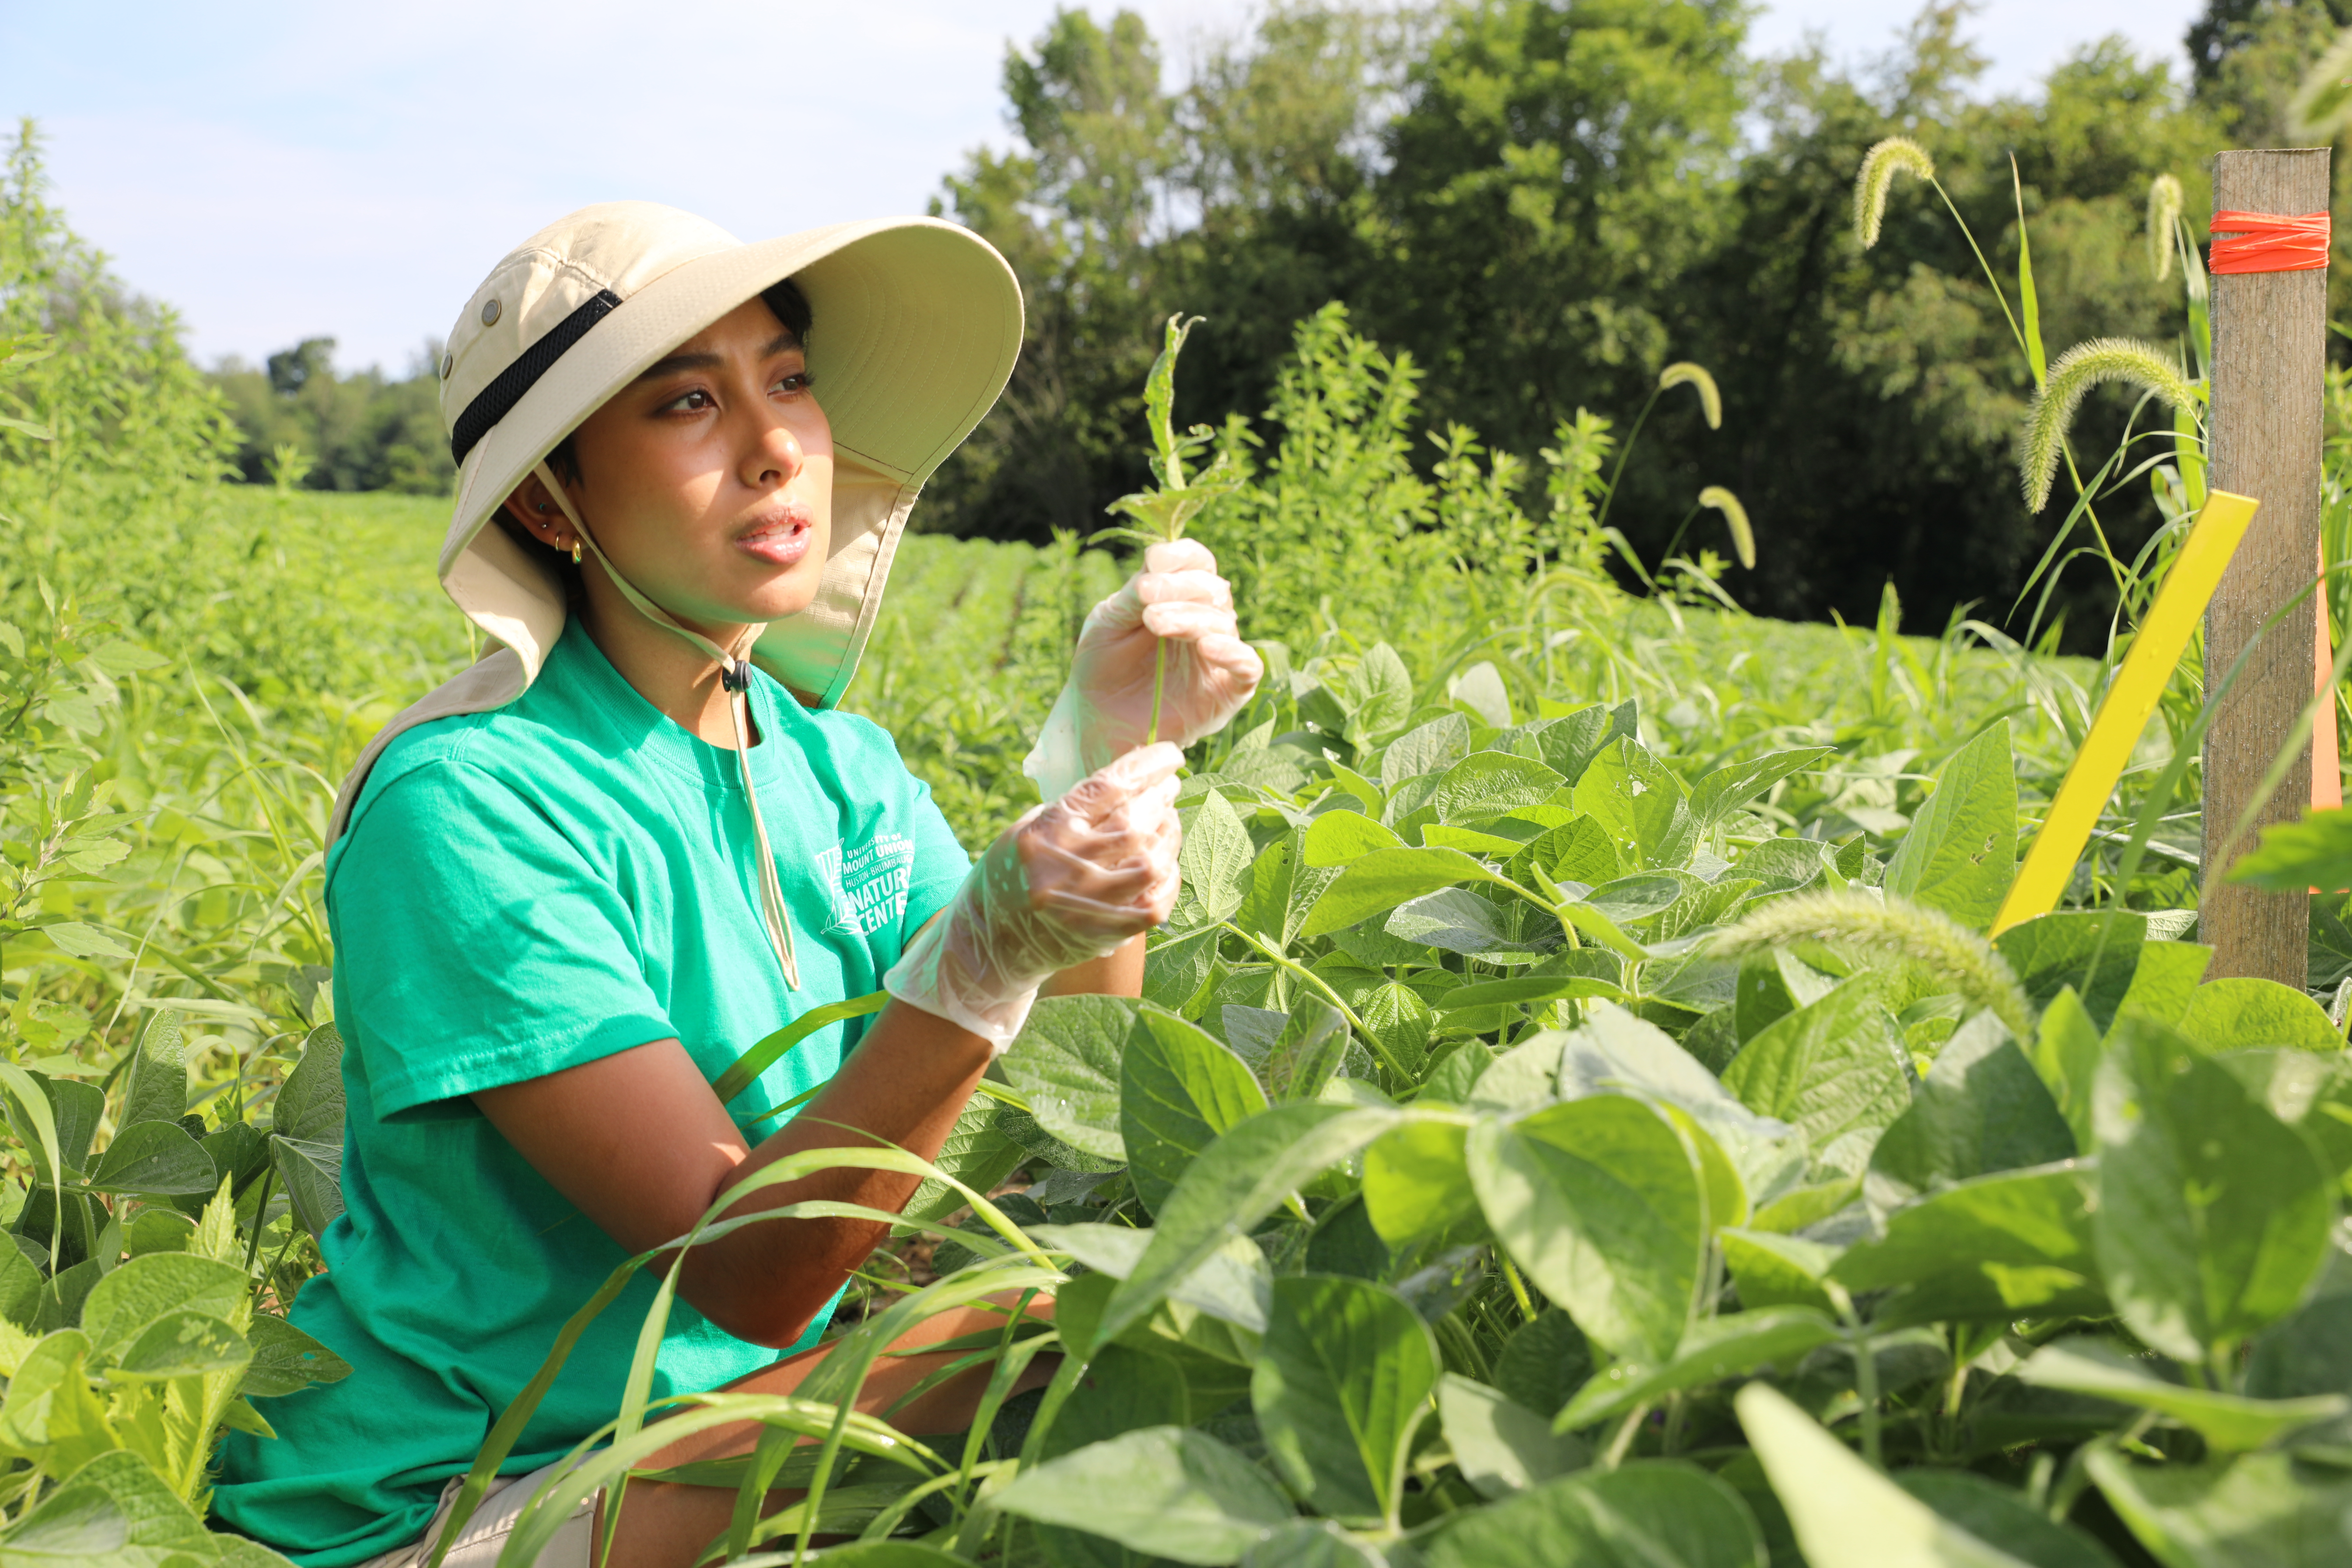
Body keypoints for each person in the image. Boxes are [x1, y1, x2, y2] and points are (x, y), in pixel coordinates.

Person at [210, 203, 1261, 1568]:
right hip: (466, 1499)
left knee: (1115, 1300)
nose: (776, 446)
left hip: (708, 1434)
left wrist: (1111, 762)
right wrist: (980, 963)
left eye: (790, 379)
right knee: (1091, 1318)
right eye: (689, 400)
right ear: (548, 498)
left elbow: (1071, 1089)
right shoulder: (468, 803)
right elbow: (748, 1273)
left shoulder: (840, 770)